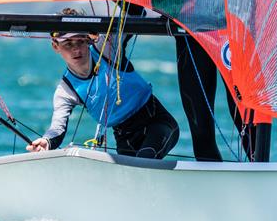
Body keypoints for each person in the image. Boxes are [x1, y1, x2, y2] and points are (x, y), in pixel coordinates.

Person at [26, 14, 179, 159]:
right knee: (129, 178)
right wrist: (46, 141)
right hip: (124, 138)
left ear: (88, 40)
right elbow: (57, 128)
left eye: (80, 41)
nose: (76, 49)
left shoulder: (106, 50)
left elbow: (133, 14)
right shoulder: (66, 91)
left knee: (145, 157)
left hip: (156, 122)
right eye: (68, 44)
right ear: (55, 46)